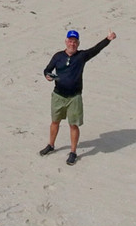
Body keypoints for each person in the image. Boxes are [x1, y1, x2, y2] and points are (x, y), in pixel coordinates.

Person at [40, 29, 117, 165]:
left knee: (73, 125)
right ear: (66, 41)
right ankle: (51, 145)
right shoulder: (58, 56)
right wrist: (48, 76)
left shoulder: (82, 56)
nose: (72, 44)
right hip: (58, 95)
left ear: (78, 43)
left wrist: (108, 39)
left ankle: (73, 152)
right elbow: (47, 70)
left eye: (75, 42)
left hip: (74, 97)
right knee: (55, 122)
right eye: (70, 41)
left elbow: (96, 49)